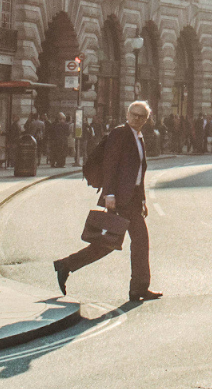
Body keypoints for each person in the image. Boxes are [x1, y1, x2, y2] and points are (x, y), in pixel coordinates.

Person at [53, 100, 160, 303]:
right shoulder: (120, 134)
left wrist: (143, 199)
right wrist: (109, 194)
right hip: (119, 199)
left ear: (146, 119)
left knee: (133, 242)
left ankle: (138, 288)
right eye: (134, 114)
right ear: (127, 115)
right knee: (109, 244)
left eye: (141, 116)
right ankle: (66, 265)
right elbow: (110, 164)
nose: (137, 118)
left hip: (133, 200)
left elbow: (138, 172)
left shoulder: (139, 136)